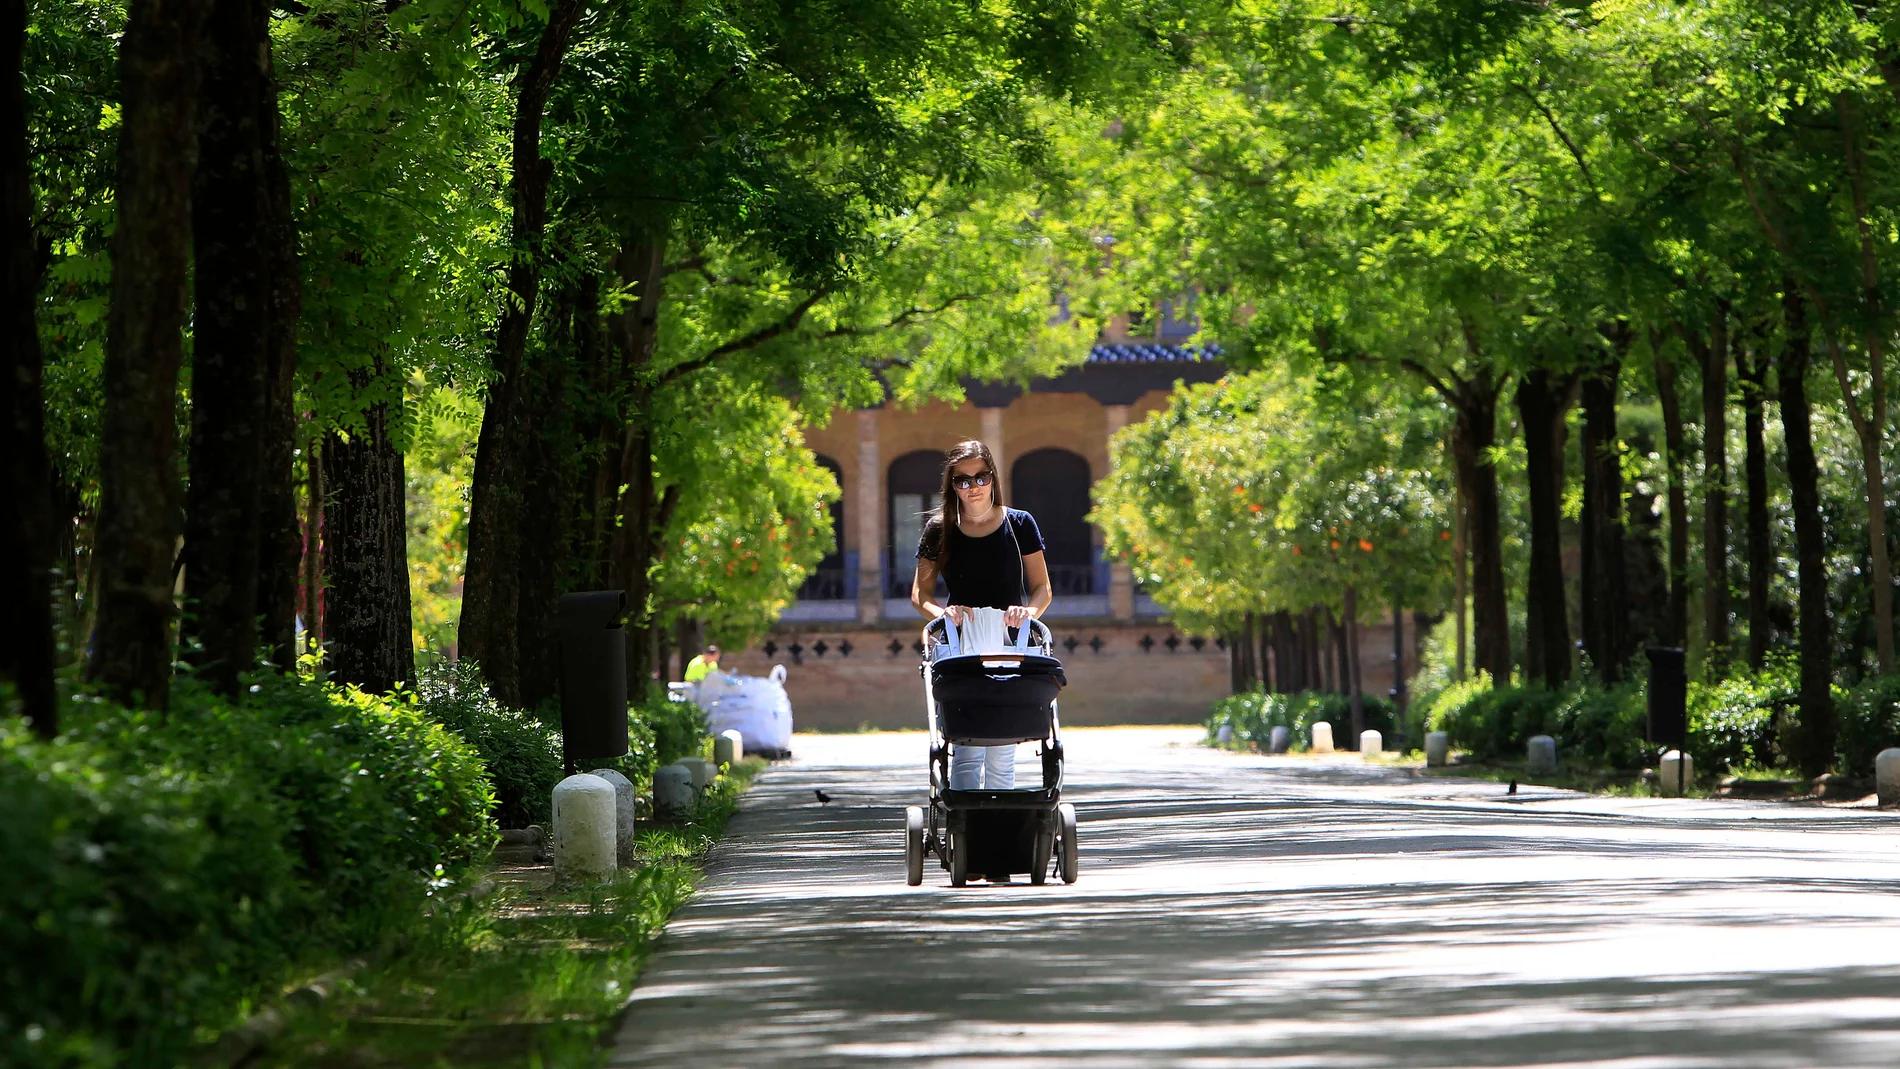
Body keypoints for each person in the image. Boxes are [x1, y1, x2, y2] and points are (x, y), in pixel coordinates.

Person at [911, 440, 1054, 795]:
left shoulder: (1020, 524)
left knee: (1003, 747)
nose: (972, 487)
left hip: (1010, 640)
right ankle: (966, 835)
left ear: (993, 478)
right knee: (967, 746)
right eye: (962, 481)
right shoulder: (940, 529)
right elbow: (920, 595)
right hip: (961, 641)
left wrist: (1029, 613)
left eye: (980, 478)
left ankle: (999, 831)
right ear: (952, 485)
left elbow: (1042, 589)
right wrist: (943, 614)